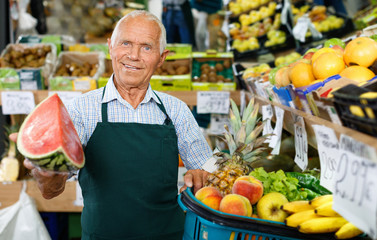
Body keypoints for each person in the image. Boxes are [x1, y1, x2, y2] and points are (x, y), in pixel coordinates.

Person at [10, 10, 212, 240]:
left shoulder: (176, 110)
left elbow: (207, 173)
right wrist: (45, 172)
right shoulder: (82, 110)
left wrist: (201, 181)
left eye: (146, 47)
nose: (134, 55)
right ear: (110, 47)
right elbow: (51, 191)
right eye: (125, 43)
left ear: (162, 57)